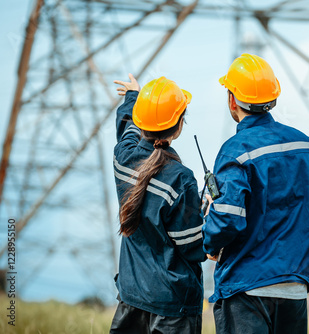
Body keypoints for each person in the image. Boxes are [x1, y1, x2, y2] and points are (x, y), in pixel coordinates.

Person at [202, 54, 309, 334]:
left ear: (232, 100)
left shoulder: (235, 150)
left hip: (246, 288)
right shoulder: (307, 145)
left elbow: (227, 220)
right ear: (272, 98)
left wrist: (210, 242)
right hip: (294, 287)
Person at [110, 74, 206, 334]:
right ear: (179, 127)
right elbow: (193, 247)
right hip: (173, 308)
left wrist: (134, 96)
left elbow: (127, 128)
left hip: (131, 299)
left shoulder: (123, 158)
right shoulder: (181, 179)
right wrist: (203, 214)